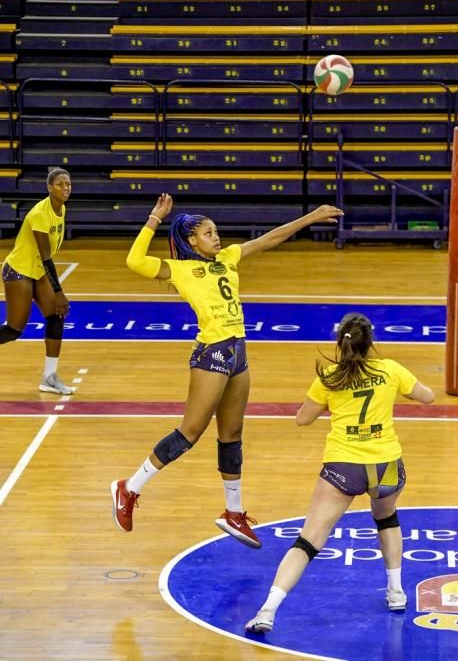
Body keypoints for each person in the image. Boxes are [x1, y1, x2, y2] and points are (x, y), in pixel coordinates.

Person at [111, 193, 343, 548]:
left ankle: (233, 512)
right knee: (190, 433)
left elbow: (269, 239)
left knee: (232, 434)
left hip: (238, 351)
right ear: (191, 240)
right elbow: (133, 261)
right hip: (211, 353)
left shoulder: (228, 258)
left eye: (216, 231)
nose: (216, 237)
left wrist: (309, 218)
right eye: (208, 233)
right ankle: (129, 488)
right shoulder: (181, 269)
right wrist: (154, 219)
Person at [246, 311, 434, 631]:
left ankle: (267, 610)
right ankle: (396, 592)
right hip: (386, 465)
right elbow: (428, 397)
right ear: (371, 343)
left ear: (340, 343)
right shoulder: (390, 370)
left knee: (308, 541)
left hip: (343, 466)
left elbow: (302, 419)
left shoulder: (330, 377)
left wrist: (328, 401)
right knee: (386, 519)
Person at [0, 167, 72, 395]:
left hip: (37, 270)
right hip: (19, 270)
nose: (65, 188)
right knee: (13, 330)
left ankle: (49, 377)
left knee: (56, 315)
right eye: (60, 184)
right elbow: (46, 256)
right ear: (49, 187)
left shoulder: (61, 209)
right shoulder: (40, 213)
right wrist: (59, 292)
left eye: (68, 184)